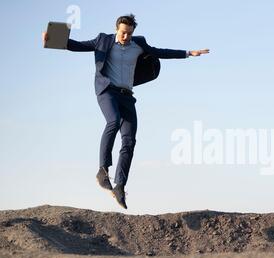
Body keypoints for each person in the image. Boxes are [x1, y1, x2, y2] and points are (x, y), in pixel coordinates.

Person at [42, 14, 209, 209]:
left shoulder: (139, 44)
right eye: (123, 33)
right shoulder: (103, 40)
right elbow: (77, 45)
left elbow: (159, 52)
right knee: (113, 121)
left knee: (129, 140)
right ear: (116, 29)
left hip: (127, 96)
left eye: (129, 33)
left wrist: (188, 53)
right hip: (107, 92)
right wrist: (53, 39)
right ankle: (102, 170)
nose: (126, 37)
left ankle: (120, 186)